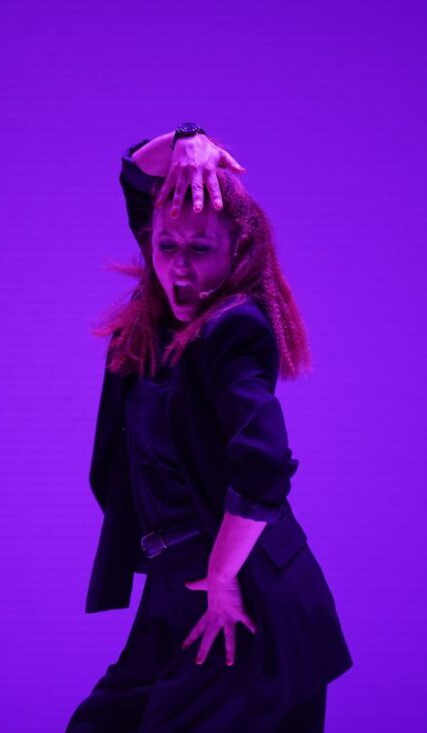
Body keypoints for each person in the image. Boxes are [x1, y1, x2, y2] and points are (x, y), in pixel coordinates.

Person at [66, 123, 353, 732]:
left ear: (236, 255)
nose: (180, 266)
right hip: (175, 587)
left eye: (200, 250)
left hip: (242, 598)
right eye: (166, 246)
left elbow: (264, 464)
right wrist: (188, 139)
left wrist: (222, 576)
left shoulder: (233, 330)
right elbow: (138, 176)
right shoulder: (163, 309)